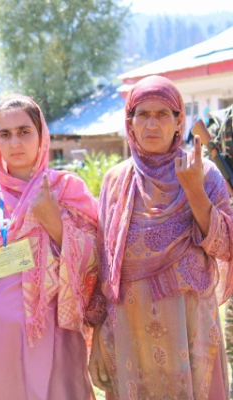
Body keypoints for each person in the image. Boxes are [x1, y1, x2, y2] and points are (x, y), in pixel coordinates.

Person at [0, 94, 99, 399]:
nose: (15, 143)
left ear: (41, 137)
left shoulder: (67, 192)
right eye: (5, 134)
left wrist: (55, 224)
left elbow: (98, 261)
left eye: (24, 131)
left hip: (57, 342)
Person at [87, 75, 233, 400]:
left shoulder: (204, 173)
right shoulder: (115, 181)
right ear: (131, 122)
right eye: (143, 114)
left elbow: (226, 246)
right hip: (129, 333)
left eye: (163, 114)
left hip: (190, 329)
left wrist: (194, 190)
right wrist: (97, 338)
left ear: (179, 121)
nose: (152, 124)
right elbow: (104, 266)